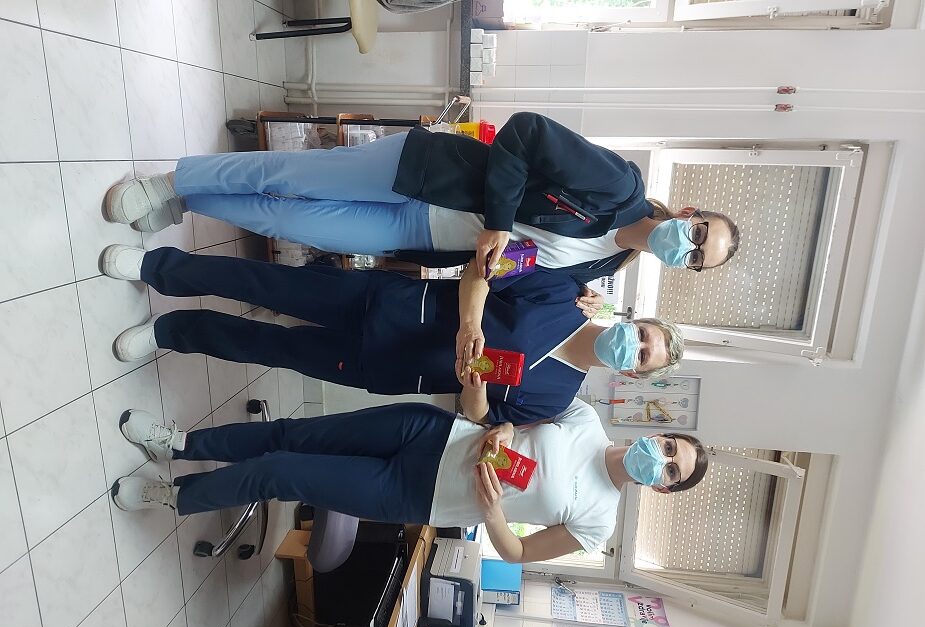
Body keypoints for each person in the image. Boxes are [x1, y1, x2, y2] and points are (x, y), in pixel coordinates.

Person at [102, 112, 740, 292]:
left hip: (423, 237)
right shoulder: (620, 188)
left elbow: (519, 269)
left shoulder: (603, 267)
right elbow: (525, 133)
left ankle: (187, 203)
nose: (685, 248)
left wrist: (500, 278)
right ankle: (172, 181)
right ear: (688, 214)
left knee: (290, 221)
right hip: (425, 173)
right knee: (294, 176)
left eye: (695, 258)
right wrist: (499, 223)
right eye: (698, 234)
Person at [100, 244, 684, 425]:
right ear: (629, 320)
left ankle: (170, 331)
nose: (632, 347)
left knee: (270, 347)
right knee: (268, 284)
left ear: (631, 374)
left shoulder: (556, 398)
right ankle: (158, 268)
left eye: (641, 357)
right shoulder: (562, 295)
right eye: (641, 336)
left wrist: (473, 387)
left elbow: (482, 417)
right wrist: (472, 324)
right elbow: (481, 272)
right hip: (393, 303)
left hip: (389, 366)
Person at [110, 399, 709, 563]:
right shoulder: (584, 416)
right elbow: (510, 412)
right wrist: (502, 428)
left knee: (282, 473)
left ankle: (178, 497)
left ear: (661, 488)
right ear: (657, 432)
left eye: (671, 470)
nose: (660, 459)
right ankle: (181, 444)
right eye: (668, 447)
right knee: (294, 433)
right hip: (431, 432)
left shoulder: (599, 521)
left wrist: (493, 512)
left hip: (416, 494)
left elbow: (520, 553)